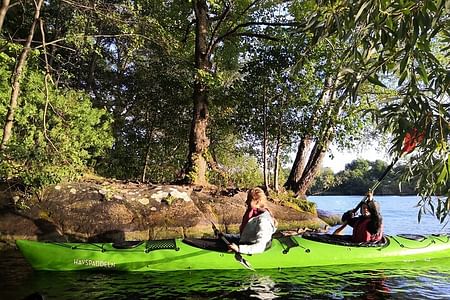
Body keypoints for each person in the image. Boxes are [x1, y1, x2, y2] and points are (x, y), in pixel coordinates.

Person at [226, 187, 277, 254]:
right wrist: (226, 236)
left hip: (252, 251)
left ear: (257, 202)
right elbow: (246, 237)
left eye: (249, 200)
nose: (246, 202)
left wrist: (239, 248)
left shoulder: (264, 221)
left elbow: (260, 247)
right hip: (246, 245)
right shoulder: (252, 214)